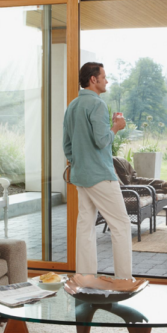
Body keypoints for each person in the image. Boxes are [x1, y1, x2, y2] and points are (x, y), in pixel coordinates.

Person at [63, 62, 132, 279]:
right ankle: (123, 280)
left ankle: (84, 278)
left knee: (85, 226)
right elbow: (102, 141)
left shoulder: (72, 106)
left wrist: (80, 162)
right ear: (93, 79)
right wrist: (116, 127)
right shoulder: (98, 105)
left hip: (81, 176)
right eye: (104, 76)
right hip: (101, 176)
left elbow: (67, 146)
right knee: (121, 224)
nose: (107, 80)